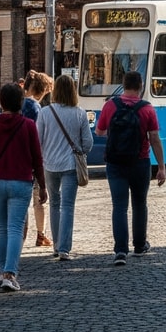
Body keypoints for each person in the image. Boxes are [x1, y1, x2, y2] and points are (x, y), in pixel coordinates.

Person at [0, 82, 46, 292]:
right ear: (21, 102)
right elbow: (37, 159)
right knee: (15, 228)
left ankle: (2, 270)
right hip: (21, 182)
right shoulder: (28, 125)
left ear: (0, 102)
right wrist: (42, 185)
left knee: (2, 227)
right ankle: (10, 273)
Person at [96, 70, 166, 266]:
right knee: (139, 204)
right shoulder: (147, 109)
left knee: (119, 206)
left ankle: (120, 251)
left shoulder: (110, 105)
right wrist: (161, 167)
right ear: (141, 86)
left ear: (124, 85)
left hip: (115, 163)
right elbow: (154, 139)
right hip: (140, 162)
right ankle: (139, 245)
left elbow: (100, 131)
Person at [37, 74, 94, 261]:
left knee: (54, 203)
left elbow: (38, 141)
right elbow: (88, 143)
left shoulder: (45, 113)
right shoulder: (79, 113)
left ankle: (55, 244)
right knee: (68, 206)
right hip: (70, 164)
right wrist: (79, 151)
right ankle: (64, 248)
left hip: (50, 165)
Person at [22, 71, 52, 248]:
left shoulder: (17, 102)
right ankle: (41, 234)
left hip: (16, 158)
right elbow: (38, 137)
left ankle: (20, 231)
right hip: (32, 159)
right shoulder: (35, 108)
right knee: (38, 199)